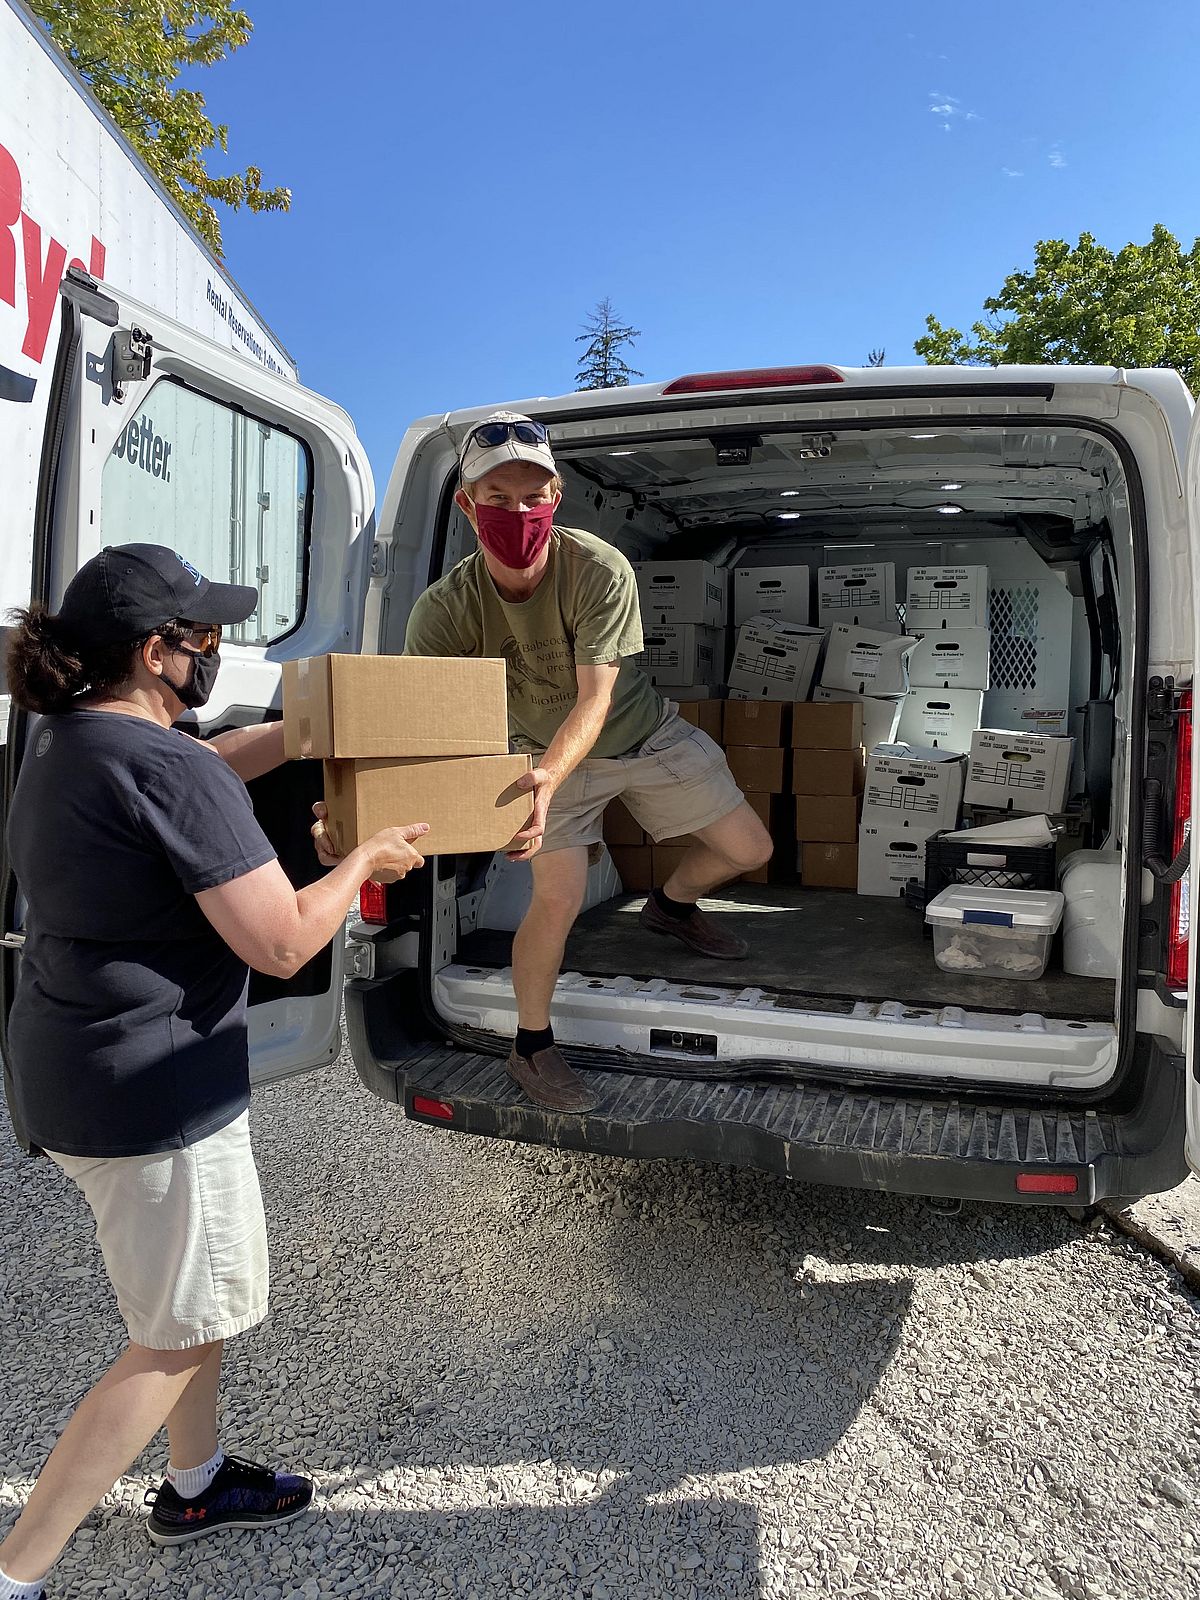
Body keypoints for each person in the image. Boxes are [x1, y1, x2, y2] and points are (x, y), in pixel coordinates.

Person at [0, 544, 428, 1600]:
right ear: (156, 652)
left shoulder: (71, 739)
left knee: (188, 1310)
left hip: (72, 1069)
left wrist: (300, 735)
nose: (218, 650)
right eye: (203, 636)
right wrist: (362, 863)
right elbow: (280, 943)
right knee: (175, 1338)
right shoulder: (166, 768)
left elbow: (209, 760)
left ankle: (194, 1484)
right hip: (159, 1096)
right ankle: (17, 1570)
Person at [402, 413, 773, 1113]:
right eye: (498, 496)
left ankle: (669, 907)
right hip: (536, 757)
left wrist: (550, 775)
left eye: (533, 496)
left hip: (640, 734)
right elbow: (422, 721)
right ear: (466, 505)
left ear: (556, 497)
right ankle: (532, 1045)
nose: (518, 512)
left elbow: (596, 696)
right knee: (558, 899)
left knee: (750, 848)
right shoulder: (444, 610)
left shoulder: (598, 567)